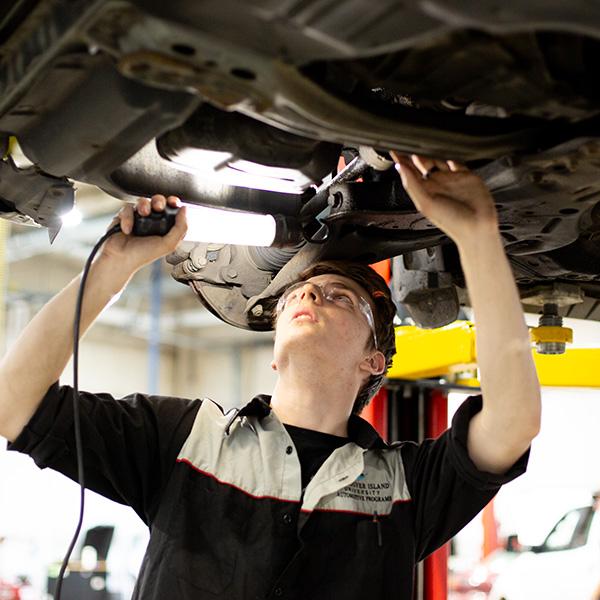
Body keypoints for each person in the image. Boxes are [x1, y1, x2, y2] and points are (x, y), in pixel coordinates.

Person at [0, 153, 541, 599]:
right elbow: (12, 405)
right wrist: (112, 267)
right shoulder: (188, 439)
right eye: (298, 296)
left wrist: (476, 235)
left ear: (373, 360)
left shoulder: (406, 487)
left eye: (341, 298)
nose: (309, 294)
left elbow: (513, 422)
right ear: (274, 353)